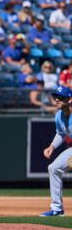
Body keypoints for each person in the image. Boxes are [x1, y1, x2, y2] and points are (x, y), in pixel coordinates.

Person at [41, 86, 72, 216]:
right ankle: (57, 208)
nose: (57, 100)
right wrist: (52, 146)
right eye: (56, 97)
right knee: (53, 168)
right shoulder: (59, 116)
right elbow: (61, 133)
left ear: (69, 99)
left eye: (60, 97)